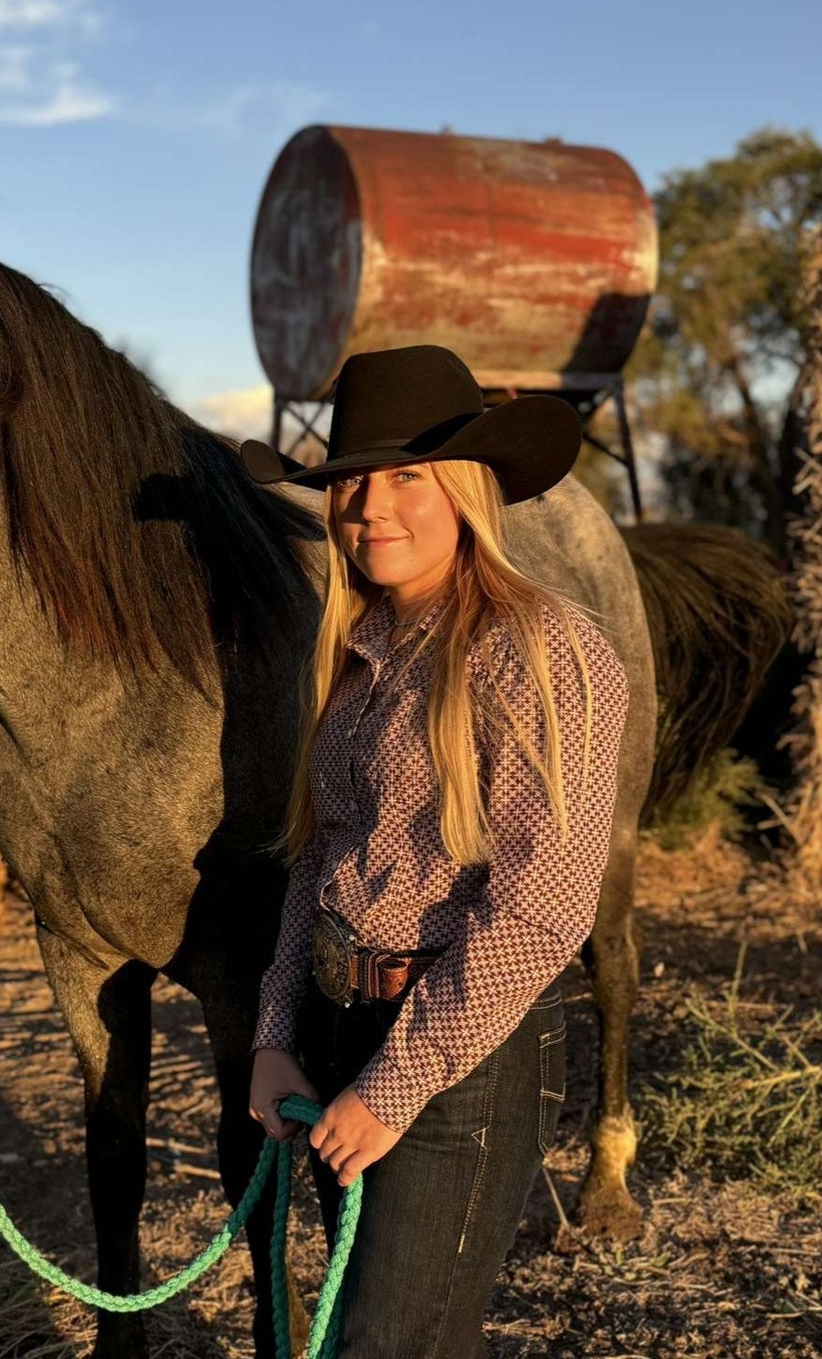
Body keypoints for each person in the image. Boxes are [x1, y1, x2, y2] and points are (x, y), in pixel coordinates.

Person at [239, 345, 630, 1358]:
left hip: (458, 1054)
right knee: (356, 1325)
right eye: (348, 479)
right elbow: (318, 860)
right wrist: (276, 1029)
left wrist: (396, 1078)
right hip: (333, 1028)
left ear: (463, 488)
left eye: (404, 474)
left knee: (384, 1343)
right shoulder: (355, 651)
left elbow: (541, 907)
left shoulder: (541, 651)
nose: (367, 505)